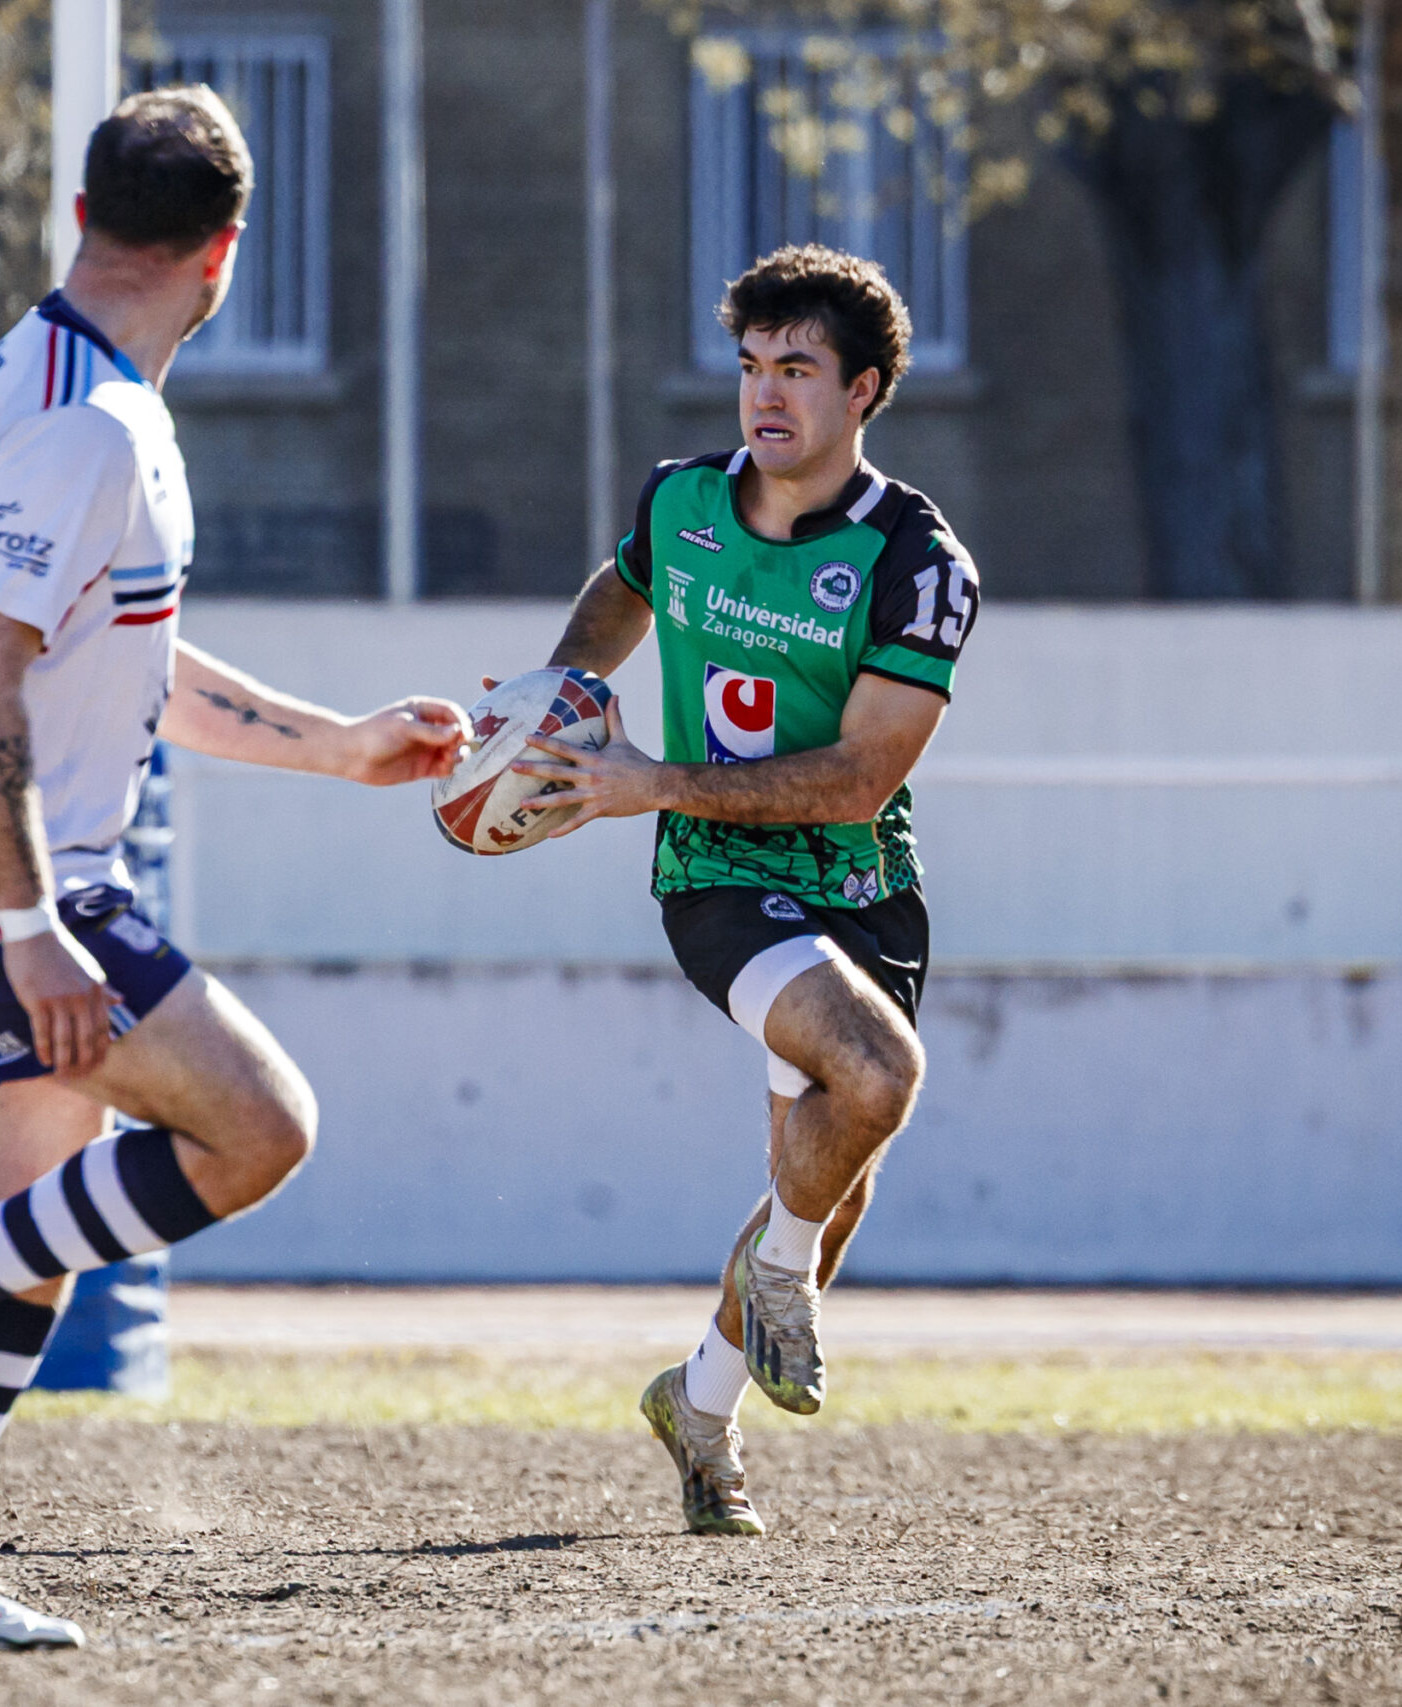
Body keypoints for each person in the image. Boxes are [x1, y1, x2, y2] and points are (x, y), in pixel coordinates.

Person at [0, 88, 468, 1649]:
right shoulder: (95, 425)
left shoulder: (53, 380)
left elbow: (124, 659)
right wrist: (36, 925)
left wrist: (339, 746)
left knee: (42, 1226)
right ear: (228, 255)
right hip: (1, 879)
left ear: (79, 218)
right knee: (259, 1128)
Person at [511, 245, 979, 1537]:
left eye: (798, 370)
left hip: (860, 880)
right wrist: (564, 690)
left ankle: (700, 1407)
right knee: (878, 1076)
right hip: (718, 878)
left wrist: (651, 773)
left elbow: (858, 776)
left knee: (822, 1193)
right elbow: (621, 590)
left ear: (865, 389)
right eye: (751, 367)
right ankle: (772, 1281)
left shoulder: (915, 558)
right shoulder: (680, 504)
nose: (765, 396)